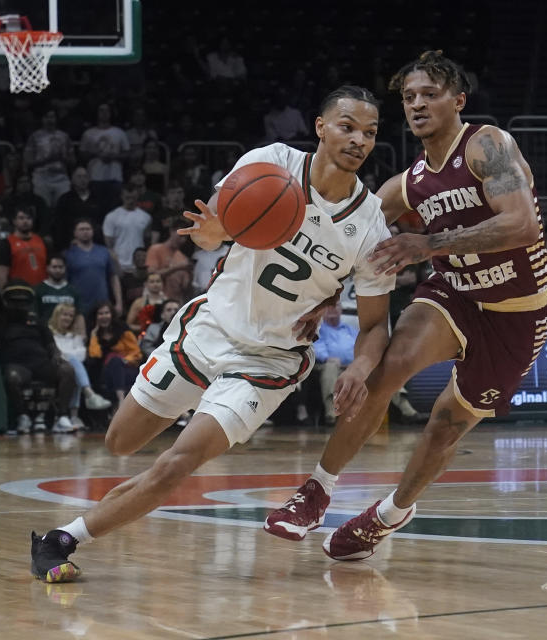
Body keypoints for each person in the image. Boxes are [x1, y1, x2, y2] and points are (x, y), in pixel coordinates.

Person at [28, 85, 395, 583]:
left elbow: (375, 325)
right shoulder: (272, 162)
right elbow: (218, 225)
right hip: (206, 330)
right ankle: (94, 517)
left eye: (369, 133)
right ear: (320, 127)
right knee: (120, 442)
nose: (358, 140)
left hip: (268, 362)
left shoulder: (372, 226)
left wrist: (359, 365)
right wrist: (211, 234)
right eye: (348, 126)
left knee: (178, 464)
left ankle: (63, 539)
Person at [263, 51, 547, 561]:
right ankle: (316, 490)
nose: (417, 104)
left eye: (429, 95)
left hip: (516, 314)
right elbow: (355, 238)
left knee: (445, 427)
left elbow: (521, 225)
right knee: (386, 367)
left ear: (458, 101)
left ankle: (390, 514)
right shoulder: (408, 184)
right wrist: (329, 290)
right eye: (409, 97)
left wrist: (429, 244)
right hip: (454, 296)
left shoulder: (486, 145)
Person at [0, 281, 77, 435]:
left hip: (41, 363)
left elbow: (51, 344)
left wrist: (57, 355)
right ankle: (22, 416)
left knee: (67, 370)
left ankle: (62, 416)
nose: (19, 306)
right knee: (12, 378)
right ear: (7, 302)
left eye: (23, 302)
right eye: (15, 302)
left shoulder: (37, 320)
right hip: (17, 365)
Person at [48, 303, 113, 430]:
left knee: (74, 368)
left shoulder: (74, 336)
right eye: (64, 315)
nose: (67, 318)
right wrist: (69, 355)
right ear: (57, 316)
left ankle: (73, 416)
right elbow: (57, 352)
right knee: (73, 365)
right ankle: (87, 397)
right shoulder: (50, 333)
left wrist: (68, 355)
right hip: (55, 367)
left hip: (71, 368)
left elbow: (82, 354)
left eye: (70, 316)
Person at [63, 218, 123, 318]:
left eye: (88, 229)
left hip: (102, 304)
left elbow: (114, 278)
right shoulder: (68, 254)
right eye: (81, 229)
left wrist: (119, 302)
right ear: (75, 233)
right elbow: (64, 282)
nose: (85, 232)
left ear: (93, 231)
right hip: (78, 304)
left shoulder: (104, 252)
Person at [86, 301, 143, 406]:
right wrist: (93, 335)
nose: (104, 316)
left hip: (127, 368)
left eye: (107, 313)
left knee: (117, 362)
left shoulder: (123, 330)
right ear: (96, 316)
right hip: (105, 373)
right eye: (100, 313)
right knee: (114, 363)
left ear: (112, 314)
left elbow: (136, 353)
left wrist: (124, 360)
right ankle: (121, 402)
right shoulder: (93, 333)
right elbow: (95, 355)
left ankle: (120, 402)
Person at [24, 109, 72, 207]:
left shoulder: (64, 136)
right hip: (41, 178)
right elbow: (28, 161)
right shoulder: (34, 136)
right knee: (43, 208)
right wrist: (47, 159)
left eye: (52, 117)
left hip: (61, 178)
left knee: (62, 207)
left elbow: (73, 160)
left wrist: (61, 158)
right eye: (47, 117)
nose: (50, 120)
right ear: (42, 119)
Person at [103, 183, 153, 273]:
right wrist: (116, 264)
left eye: (133, 198)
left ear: (137, 196)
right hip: (120, 264)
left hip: (139, 265)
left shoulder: (146, 217)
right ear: (122, 196)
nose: (131, 201)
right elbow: (109, 246)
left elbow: (147, 242)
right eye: (127, 198)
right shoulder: (111, 216)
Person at [0, 208, 47, 291]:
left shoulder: (41, 241)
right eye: (21, 218)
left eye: (28, 218)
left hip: (42, 291)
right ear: (14, 221)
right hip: (19, 292)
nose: (25, 221)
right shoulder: (7, 244)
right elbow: (1, 273)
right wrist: (4, 295)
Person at [35, 254, 82, 329]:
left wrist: (82, 332)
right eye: (54, 267)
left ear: (65, 268)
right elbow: (36, 314)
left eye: (61, 267)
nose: (58, 270)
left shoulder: (73, 291)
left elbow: (79, 315)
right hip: (45, 333)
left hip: (68, 334)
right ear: (47, 268)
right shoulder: (38, 290)